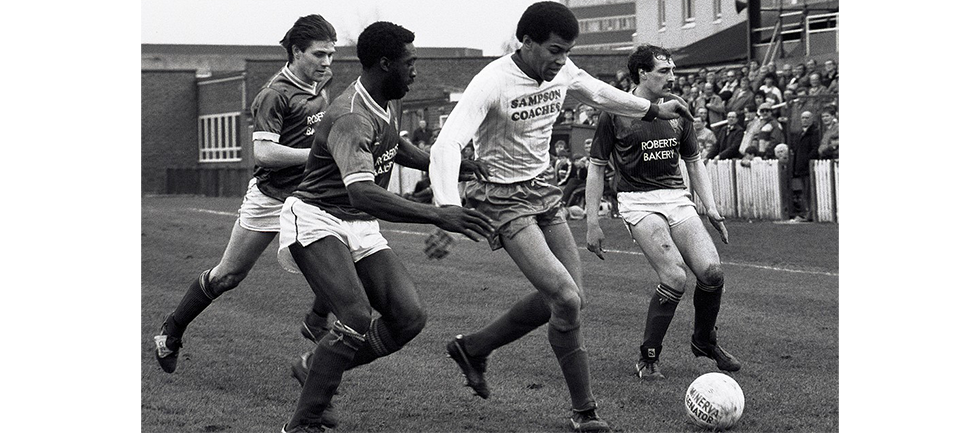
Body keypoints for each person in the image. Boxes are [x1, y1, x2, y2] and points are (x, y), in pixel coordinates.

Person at [426, 3, 694, 432]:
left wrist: (652, 110)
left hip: (543, 190)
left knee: (572, 300)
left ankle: (473, 348)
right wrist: (446, 209)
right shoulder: (491, 81)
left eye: (567, 51)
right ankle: (585, 412)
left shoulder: (563, 70)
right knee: (565, 298)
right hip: (502, 198)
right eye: (554, 50)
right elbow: (446, 145)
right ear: (526, 42)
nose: (561, 60)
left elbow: (599, 93)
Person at [277, 21, 494, 432]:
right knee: (355, 315)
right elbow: (362, 193)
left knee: (409, 317)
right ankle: (302, 423)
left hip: (357, 224)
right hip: (317, 218)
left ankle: (313, 366)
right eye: (409, 63)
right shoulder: (351, 117)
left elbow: (393, 144)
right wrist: (438, 214)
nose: (415, 71)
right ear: (384, 63)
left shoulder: (384, 99)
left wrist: (447, 164)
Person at [153, 15, 340, 374]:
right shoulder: (274, 94)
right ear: (296, 52)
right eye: (319, 54)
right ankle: (171, 331)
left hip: (309, 196)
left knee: (346, 253)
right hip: (271, 197)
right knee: (228, 276)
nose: (327, 62)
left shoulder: (322, 82)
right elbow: (264, 153)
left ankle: (316, 320)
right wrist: (317, 154)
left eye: (331, 54)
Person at [583, 44, 740, 381]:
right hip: (638, 201)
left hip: (676, 198)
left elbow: (694, 162)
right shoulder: (614, 112)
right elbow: (596, 168)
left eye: (672, 70)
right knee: (674, 276)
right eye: (664, 71)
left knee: (712, 273)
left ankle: (704, 340)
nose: (672, 77)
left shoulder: (678, 109)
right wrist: (592, 221)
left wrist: (711, 207)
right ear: (642, 73)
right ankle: (648, 356)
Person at [789, 110, 820, 222]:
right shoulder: (800, 133)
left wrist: (806, 161)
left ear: (812, 119)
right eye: (803, 118)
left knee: (809, 191)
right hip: (801, 167)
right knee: (804, 191)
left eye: (807, 118)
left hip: (808, 167)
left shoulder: (814, 133)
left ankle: (810, 213)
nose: (805, 120)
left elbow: (815, 149)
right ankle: (807, 212)